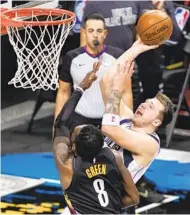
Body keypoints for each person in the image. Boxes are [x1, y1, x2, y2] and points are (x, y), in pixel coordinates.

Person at [53, 65, 139, 214]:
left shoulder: (66, 164)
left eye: (74, 133)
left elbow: (61, 123)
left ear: (73, 147)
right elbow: (133, 198)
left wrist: (80, 88)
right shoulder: (114, 157)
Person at [81, 0, 182, 105]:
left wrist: (159, 18)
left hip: (128, 66)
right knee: (101, 106)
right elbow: (84, 37)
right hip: (103, 64)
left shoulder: (139, 3)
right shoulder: (94, 4)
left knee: (126, 109)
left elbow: (140, 34)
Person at [100, 41, 174, 184]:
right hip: (89, 192)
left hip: (109, 202)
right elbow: (105, 81)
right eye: (146, 101)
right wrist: (136, 49)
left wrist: (117, 89)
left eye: (150, 106)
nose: (143, 105)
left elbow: (109, 128)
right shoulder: (127, 120)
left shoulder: (150, 143)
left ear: (157, 122)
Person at [54, 13, 124, 129]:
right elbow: (63, 92)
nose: (95, 35)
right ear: (84, 32)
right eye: (91, 31)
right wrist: (57, 125)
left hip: (109, 121)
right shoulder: (72, 57)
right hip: (79, 120)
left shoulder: (117, 56)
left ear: (105, 34)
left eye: (99, 31)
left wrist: (125, 123)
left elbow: (125, 92)